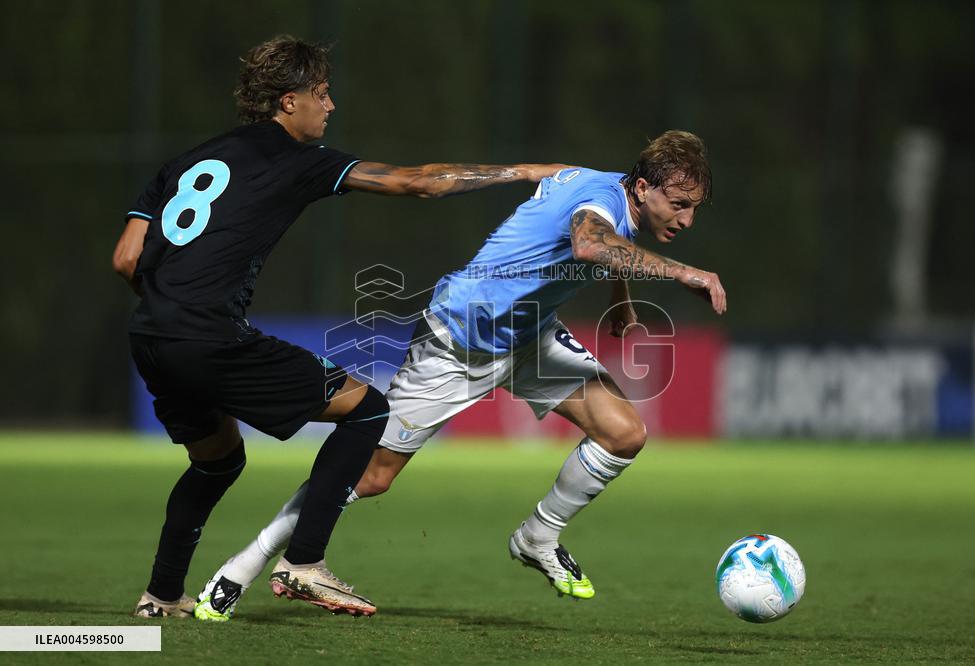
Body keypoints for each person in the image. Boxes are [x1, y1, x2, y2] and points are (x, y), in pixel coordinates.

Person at [112, 34, 565, 620]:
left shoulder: (187, 161)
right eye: (320, 94)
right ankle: (303, 561)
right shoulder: (295, 158)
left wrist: (170, 310)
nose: (330, 106)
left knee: (217, 461)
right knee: (369, 411)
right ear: (286, 101)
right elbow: (418, 182)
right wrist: (525, 171)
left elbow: (126, 258)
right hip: (205, 334)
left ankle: (161, 597)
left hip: (149, 333)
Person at [195, 130, 726, 621]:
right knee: (372, 477)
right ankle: (242, 566)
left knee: (625, 433)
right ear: (640, 188)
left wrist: (620, 299)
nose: (685, 221)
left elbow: (585, 224)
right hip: (458, 340)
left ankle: (539, 535)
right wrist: (687, 274)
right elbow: (591, 243)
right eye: (678, 206)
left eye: (694, 210)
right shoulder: (599, 201)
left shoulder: (591, 179)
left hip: (528, 337)